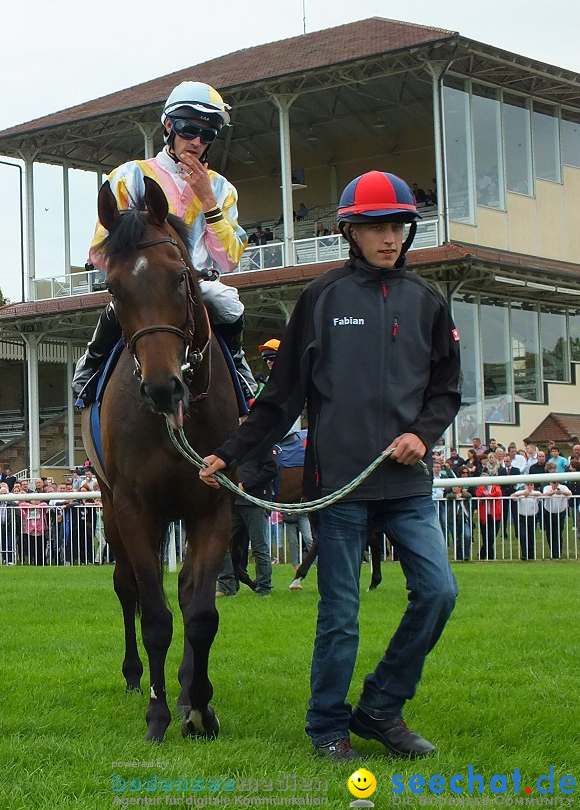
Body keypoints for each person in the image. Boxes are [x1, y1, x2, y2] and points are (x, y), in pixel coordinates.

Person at [198, 170, 461, 761]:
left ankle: (381, 708)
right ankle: (327, 727)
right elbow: (282, 395)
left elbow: (446, 390)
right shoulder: (322, 298)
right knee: (340, 612)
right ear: (350, 232)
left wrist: (423, 434)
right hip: (337, 486)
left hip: (407, 484)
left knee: (439, 592)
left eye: (397, 226)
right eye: (376, 228)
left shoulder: (428, 302)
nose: (389, 238)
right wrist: (232, 450)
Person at [71, 80, 254, 405]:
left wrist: (208, 202)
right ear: (169, 126)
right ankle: (90, 368)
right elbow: (100, 250)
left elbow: (228, 260)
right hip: (144, 281)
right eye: (189, 129)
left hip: (199, 286)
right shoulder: (128, 176)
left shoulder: (222, 189)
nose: (197, 141)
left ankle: (239, 371)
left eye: (208, 134)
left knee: (230, 306)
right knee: (119, 307)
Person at [215, 444, 276, 597]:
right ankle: (226, 585)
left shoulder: (264, 444)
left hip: (254, 501)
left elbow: (271, 469)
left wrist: (246, 485)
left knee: (259, 546)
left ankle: (264, 587)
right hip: (234, 501)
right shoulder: (235, 443)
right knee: (222, 543)